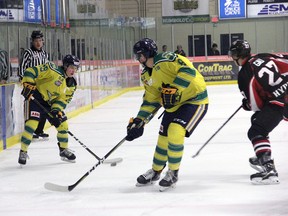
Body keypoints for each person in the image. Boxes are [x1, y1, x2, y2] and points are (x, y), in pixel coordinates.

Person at [126, 38, 208, 191]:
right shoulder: (146, 76)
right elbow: (151, 101)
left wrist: (175, 89)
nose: (138, 59)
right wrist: (139, 121)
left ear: (148, 53)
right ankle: (156, 171)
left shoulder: (166, 59)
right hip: (174, 105)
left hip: (194, 100)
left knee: (175, 131)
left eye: (140, 55)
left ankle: (173, 173)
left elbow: (188, 70)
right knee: (163, 138)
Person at [229, 40, 288, 185]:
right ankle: (263, 153)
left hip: (280, 103)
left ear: (237, 55)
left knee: (256, 130)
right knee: (257, 120)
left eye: (233, 54)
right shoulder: (263, 56)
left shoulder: (245, 74)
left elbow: (256, 105)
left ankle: (268, 168)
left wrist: (246, 105)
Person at [18, 54, 80, 166]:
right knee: (31, 125)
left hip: (50, 104)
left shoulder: (71, 84)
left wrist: (56, 111)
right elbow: (30, 71)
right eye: (71, 67)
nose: (73, 71)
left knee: (63, 125)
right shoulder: (51, 69)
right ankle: (23, 151)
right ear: (65, 66)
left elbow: (63, 100)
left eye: (76, 68)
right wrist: (28, 85)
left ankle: (63, 150)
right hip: (35, 98)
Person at [19, 30, 49, 140]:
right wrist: (25, 82)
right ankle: (30, 131)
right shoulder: (28, 52)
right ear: (32, 41)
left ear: (43, 41)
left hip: (42, 86)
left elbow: (48, 70)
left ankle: (39, 130)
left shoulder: (45, 54)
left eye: (40, 40)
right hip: (31, 85)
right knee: (31, 108)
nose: (38, 43)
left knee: (44, 107)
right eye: (36, 41)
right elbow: (22, 68)